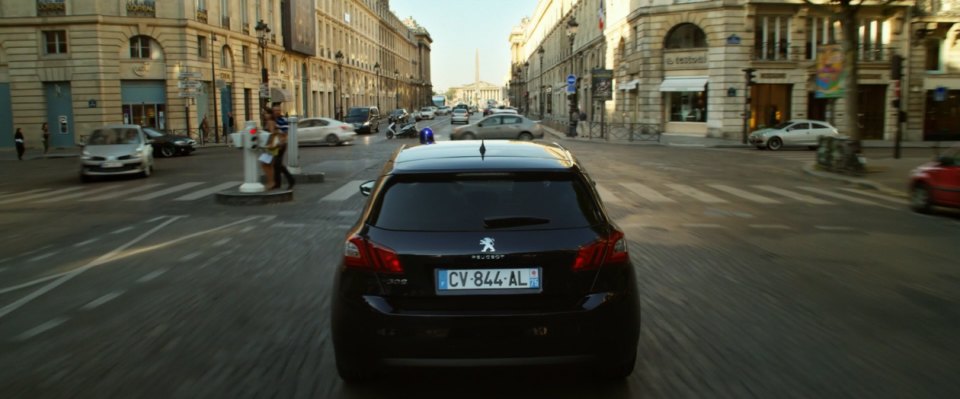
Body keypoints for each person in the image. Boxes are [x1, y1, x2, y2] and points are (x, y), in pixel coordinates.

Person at [259, 110, 277, 189]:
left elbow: (272, 133)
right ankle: (271, 182)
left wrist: (271, 144)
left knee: (266, 165)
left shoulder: (270, 122)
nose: (265, 115)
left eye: (267, 113)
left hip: (270, 147)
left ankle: (271, 182)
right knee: (268, 165)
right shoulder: (268, 122)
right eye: (265, 113)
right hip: (269, 146)